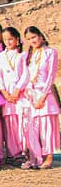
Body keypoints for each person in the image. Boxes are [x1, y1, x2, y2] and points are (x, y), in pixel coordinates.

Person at [22, 25, 59, 170]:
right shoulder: (29, 55)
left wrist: (43, 96)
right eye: (29, 39)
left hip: (45, 94)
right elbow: (27, 76)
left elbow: (51, 76)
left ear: (41, 36)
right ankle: (37, 156)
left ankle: (49, 157)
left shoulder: (50, 52)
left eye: (34, 37)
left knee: (47, 127)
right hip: (31, 94)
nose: (32, 40)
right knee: (34, 127)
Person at [0, 26, 27, 162]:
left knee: (22, 121)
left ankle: (25, 151)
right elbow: (0, 76)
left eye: (11, 39)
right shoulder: (0, 56)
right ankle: (13, 153)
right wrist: (4, 92)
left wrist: (17, 90)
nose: (8, 42)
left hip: (21, 93)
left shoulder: (24, 55)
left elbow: (26, 74)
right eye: (6, 40)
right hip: (7, 94)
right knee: (10, 123)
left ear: (17, 39)